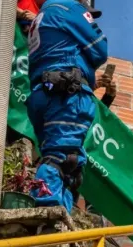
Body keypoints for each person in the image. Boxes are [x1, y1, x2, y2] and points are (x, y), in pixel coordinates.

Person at [26, 0, 108, 213]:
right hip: (66, 96)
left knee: (63, 162)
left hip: (43, 92)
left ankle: (59, 214)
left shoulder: (40, 17)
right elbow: (100, 49)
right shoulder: (68, 9)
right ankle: (48, 216)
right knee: (63, 159)